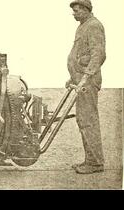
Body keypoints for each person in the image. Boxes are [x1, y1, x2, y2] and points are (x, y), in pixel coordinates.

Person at [66, 0, 106, 174]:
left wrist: (85, 77)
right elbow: (80, 55)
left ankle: (95, 163)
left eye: (76, 11)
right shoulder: (83, 26)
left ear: (85, 9)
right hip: (81, 80)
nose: (73, 13)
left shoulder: (94, 26)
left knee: (88, 120)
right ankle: (90, 160)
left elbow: (98, 54)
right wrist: (72, 77)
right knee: (83, 119)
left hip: (87, 82)